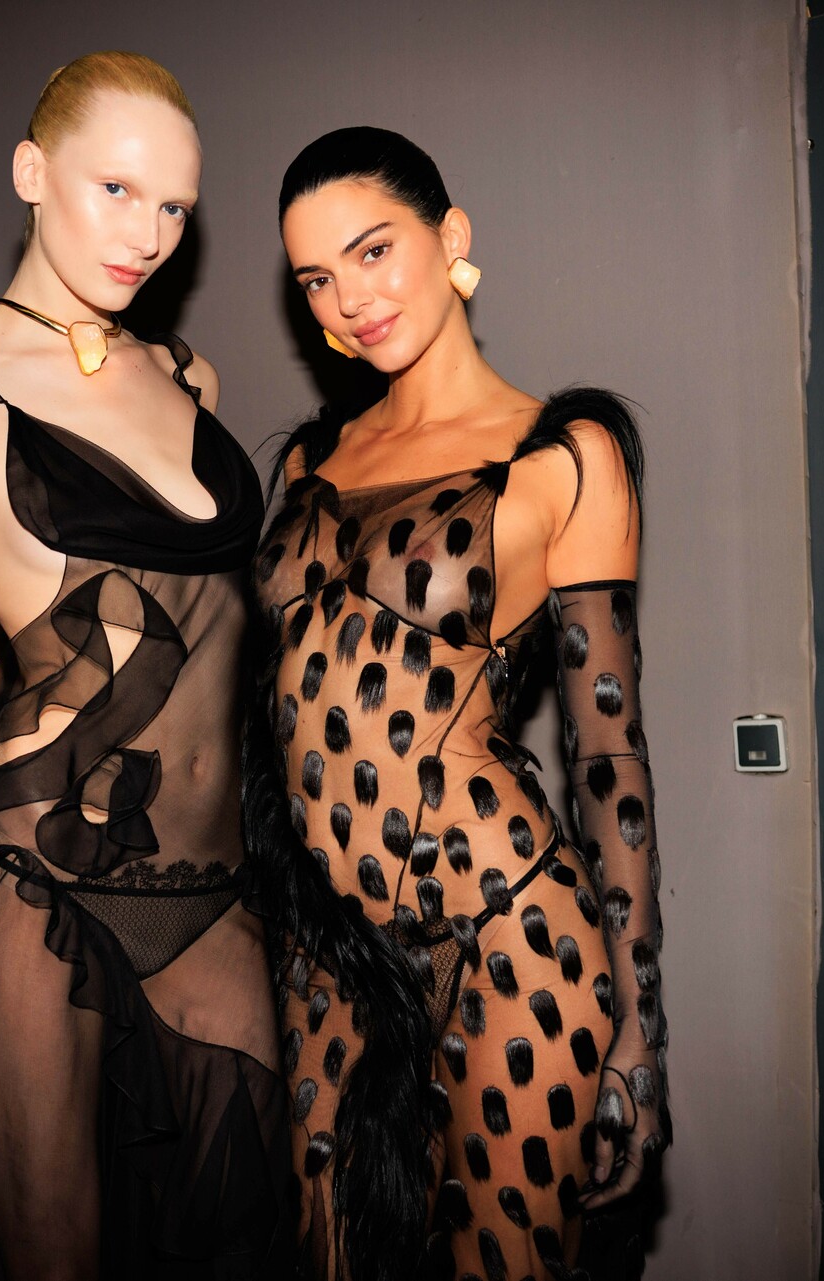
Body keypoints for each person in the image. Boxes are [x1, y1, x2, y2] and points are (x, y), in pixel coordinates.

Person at [0, 51, 291, 1278]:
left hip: (209, 893)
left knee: (241, 1236)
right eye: (116, 190)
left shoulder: (187, 375)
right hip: (26, 886)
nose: (147, 235)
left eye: (175, 208)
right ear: (31, 172)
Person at [250, 127, 671, 1281]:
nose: (350, 301)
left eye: (372, 251)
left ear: (452, 238)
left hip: (511, 939)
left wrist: (641, 1030)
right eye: (316, 280)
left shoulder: (565, 455)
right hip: (328, 947)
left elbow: (608, 758)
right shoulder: (306, 464)